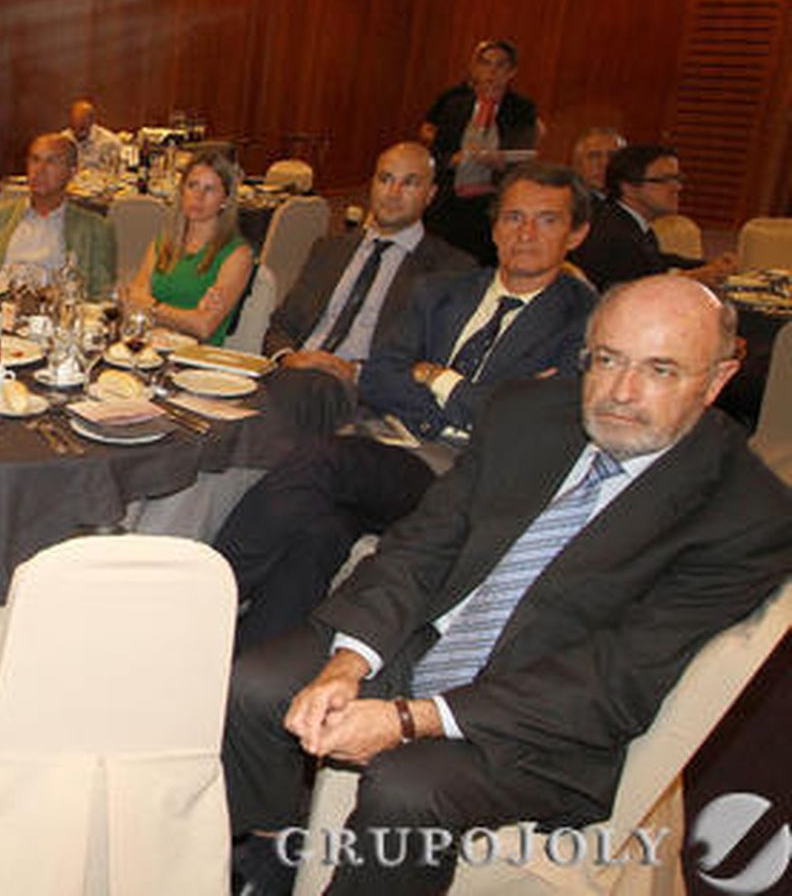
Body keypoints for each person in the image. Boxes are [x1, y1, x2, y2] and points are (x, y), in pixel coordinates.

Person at [225, 275, 792, 895]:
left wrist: (411, 720)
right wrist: (347, 662)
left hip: (540, 714)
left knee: (408, 788)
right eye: (607, 360)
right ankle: (272, 849)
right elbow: (423, 543)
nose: (622, 393)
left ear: (716, 382)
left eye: (661, 370)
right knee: (254, 685)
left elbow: (613, 680)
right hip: (430, 638)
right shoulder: (528, 413)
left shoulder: (747, 515)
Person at [213, 163, 597, 646]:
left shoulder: (584, 322)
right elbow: (378, 378)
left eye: (546, 220)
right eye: (513, 217)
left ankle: (199, 602)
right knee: (320, 529)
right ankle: (245, 667)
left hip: (465, 473)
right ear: (495, 226)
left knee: (319, 461)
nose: (525, 233)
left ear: (576, 233)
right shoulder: (443, 291)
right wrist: (478, 400)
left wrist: (437, 377)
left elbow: (527, 419)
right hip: (388, 444)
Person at [262, 142, 474, 433]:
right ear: (372, 184)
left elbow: (432, 360)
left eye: (409, 183)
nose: (393, 193)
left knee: (286, 397)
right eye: (385, 179)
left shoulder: (449, 271)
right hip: (293, 375)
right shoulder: (329, 249)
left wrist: (357, 373)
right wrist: (288, 357)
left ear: (430, 195)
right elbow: (281, 324)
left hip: (361, 394)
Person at [421, 40, 541, 266]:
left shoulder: (522, 109)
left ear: (511, 72)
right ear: (475, 69)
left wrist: (501, 163)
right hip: (450, 196)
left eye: (500, 66)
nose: (491, 72)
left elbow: (526, 158)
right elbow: (435, 152)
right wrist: (451, 160)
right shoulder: (454, 103)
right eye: (485, 64)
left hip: (491, 200)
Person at [123, 148, 253, 344]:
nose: (198, 196)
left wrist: (152, 306)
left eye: (210, 189)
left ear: (225, 200)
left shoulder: (237, 255)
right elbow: (132, 305)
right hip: (152, 349)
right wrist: (186, 316)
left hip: (197, 361)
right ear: (182, 190)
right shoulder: (163, 243)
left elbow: (203, 327)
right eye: (193, 185)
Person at [569, 143, 735, 289]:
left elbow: (655, 260)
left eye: (677, 178)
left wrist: (706, 266)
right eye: (665, 180)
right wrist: (690, 277)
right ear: (629, 188)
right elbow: (625, 292)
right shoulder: (612, 233)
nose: (677, 187)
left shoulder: (627, 221)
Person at [0, 132, 115, 299]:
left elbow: (102, 295)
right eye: (34, 160)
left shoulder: (95, 228)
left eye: (52, 162)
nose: (39, 170)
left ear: (72, 171)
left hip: (55, 315)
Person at [569, 127, 625, 206]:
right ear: (577, 164)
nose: (605, 163)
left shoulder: (631, 204)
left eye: (613, 156)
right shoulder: (569, 204)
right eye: (594, 156)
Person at [64, 97, 122, 173]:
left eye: (82, 128)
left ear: (92, 121)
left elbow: (117, 169)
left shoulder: (110, 141)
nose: (78, 133)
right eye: (75, 127)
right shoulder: (63, 140)